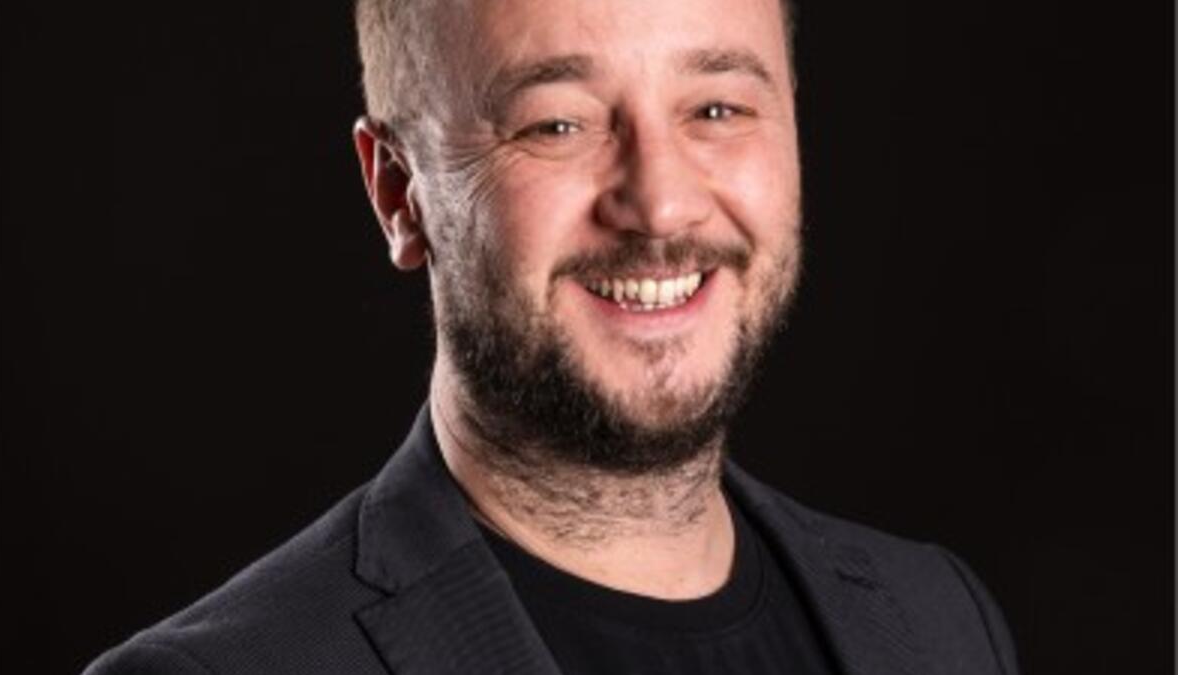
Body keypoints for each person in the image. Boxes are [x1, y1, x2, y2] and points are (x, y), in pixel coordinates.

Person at [85, 0, 1019, 673]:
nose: (660, 204)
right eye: (557, 124)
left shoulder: (941, 621)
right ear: (399, 192)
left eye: (717, 109)